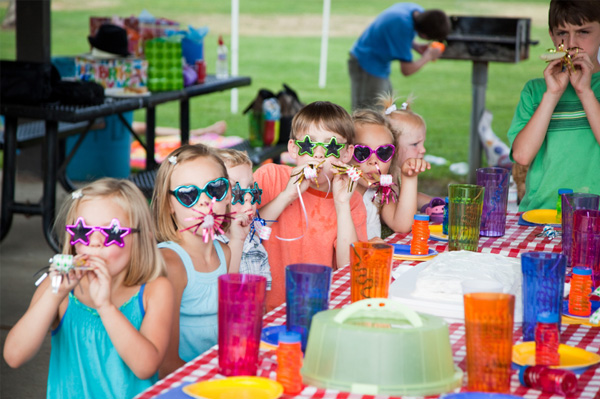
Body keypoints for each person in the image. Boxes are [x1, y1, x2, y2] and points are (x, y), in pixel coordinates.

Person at [3, 178, 173, 398]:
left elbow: (145, 367)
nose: (94, 242)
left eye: (111, 232)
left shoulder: (155, 290)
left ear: (141, 238)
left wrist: (105, 306)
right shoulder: (58, 289)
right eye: (83, 230)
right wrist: (54, 296)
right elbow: (14, 356)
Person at [255, 101, 368, 311]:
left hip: (317, 308)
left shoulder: (351, 200)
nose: (318, 155)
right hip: (263, 307)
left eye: (330, 145)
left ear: (346, 154)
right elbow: (246, 232)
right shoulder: (268, 176)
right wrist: (287, 194)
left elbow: (349, 269)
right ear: (293, 149)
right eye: (310, 143)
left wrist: (341, 204)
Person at [508, 0, 600, 211]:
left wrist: (585, 92)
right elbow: (522, 156)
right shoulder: (535, 91)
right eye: (562, 34)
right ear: (551, 35)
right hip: (541, 213)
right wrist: (552, 94)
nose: (571, 44)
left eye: (583, 32)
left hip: (594, 217)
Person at [152, 144, 232, 377]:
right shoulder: (171, 263)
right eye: (189, 194)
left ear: (228, 194)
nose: (205, 201)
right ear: (169, 205)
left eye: (215, 189)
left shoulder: (225, 253)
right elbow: (166, 364)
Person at [348, 3, 450, 110]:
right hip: (366, 64)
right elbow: (407, 70)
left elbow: (394, 35)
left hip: (377, 64)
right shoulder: (402, 25)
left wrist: (415, 46)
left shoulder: (415, 11)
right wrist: (428, 56)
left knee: (385, 109)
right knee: (369, 115)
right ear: (424, 35)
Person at [351, 109, 430, 240]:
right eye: (362, 152)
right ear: (346, 153)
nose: (374, 161)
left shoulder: (378, 193)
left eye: (383, 152)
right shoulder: (336, 194)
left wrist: (409, 177)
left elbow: (402, 225)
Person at [215, 148, 272, 289]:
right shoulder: (209, 243)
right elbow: (222, 288)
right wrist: (237, 240)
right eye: (236, 190)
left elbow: (261, 295)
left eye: (251, 188)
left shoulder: (253, 242)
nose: (248, 197)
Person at [380, 93, 436, 213]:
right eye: (415, 144)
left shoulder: (398, 171)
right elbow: (397, 213)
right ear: (392, 147)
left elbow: (409, 197)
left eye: (422, 143)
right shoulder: (384, 179)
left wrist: (437, 204)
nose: (423, 150)